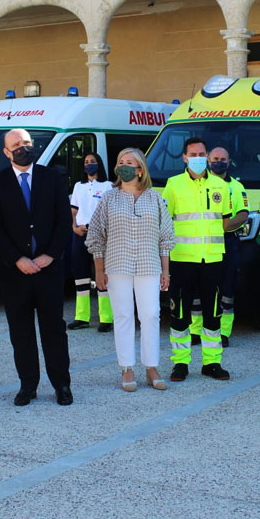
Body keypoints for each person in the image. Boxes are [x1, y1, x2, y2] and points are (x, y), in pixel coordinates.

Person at [0, 128, 73, 407]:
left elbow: (62, 221)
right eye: (17, 144)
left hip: (49, 269)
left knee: (54, 329)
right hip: (15, 273)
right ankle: (28, 385)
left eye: (27, 143)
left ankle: (61, 385)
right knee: (21, 331)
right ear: (6, 152)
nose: (23, 147)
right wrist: (17, 259)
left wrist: (50, 255)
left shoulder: (52, 177)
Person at [86, 147, 174, 391]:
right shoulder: (108, 198)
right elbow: (95, 236)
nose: (123, 166)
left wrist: (165, 271)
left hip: (149, 265)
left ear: (140, 169)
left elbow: (165, 236)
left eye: (129, 162)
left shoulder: (155, 198)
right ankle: (126, 368)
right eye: (120, 161)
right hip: (117, 265)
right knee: (123, 316)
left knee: (151, 315)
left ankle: (152, 367)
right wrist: (98, 270)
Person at [162, 136, 233, 381]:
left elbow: (226, 222)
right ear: (184, 157)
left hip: (213, 260)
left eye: (202, 154)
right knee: (180, 314)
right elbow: (164, 224)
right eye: (193, 155)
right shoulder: (173, 185)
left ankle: (212, 363)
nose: (198, 159)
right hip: (182, 260)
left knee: (213, 314)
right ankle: (180, 363)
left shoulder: (221, 186)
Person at [208, 146, 248, 346]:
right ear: (208, 160)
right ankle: (198, 331)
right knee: (202, 288)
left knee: (227, 287)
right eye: (215, 158)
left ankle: (224, 332)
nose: (219, 162)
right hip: (204, 242)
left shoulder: (237, 187)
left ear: (229, 161)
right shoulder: (201, 185)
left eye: (223, 159)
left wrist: (224, 226)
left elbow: (243, 214)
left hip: (228, 240)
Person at [69, 152, 114, 333]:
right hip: (80, 233)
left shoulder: (108, 186)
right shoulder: (78, 186)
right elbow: (73, 211)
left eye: (93, 162)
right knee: (80, 277)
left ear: (99, 164)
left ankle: (106, 318)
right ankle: (81, 317)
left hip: (100, 236)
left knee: (101, 277)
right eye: (86, 162)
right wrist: (74, 228)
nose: (89, 165)